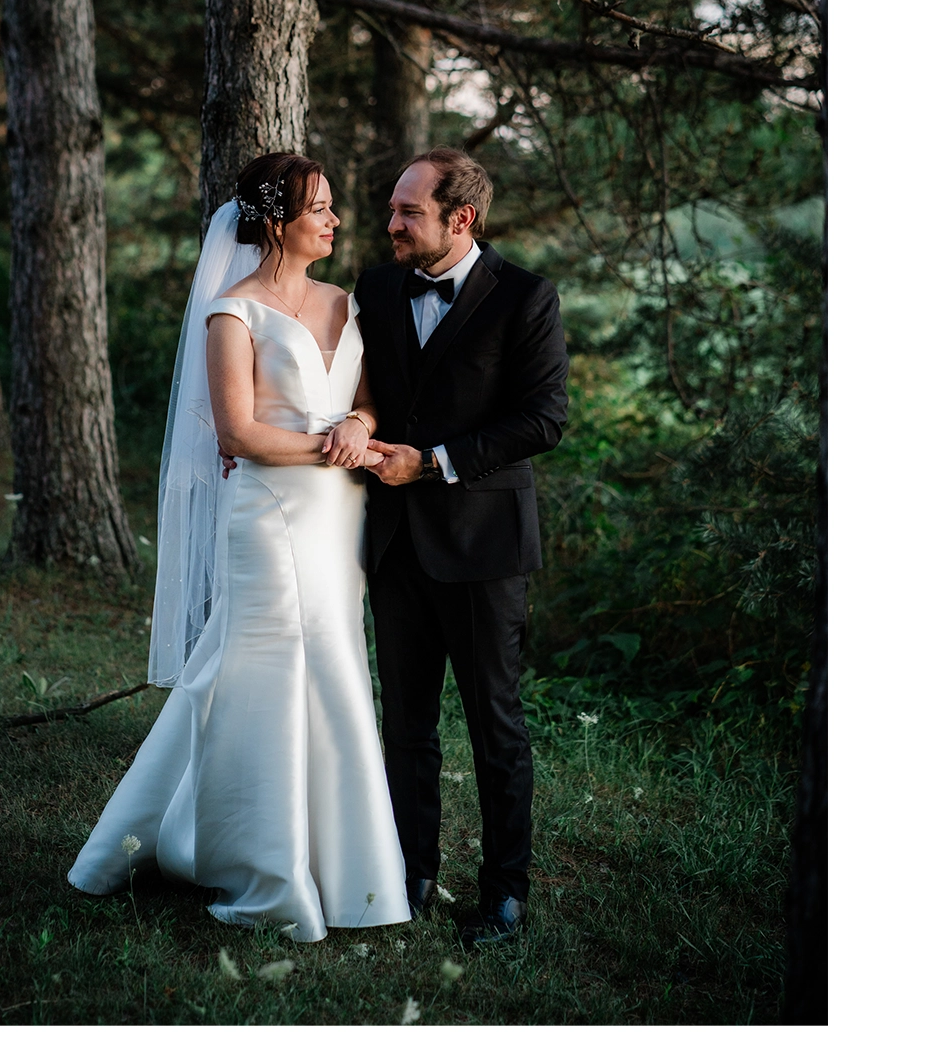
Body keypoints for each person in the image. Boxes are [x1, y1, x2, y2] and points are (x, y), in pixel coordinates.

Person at [68, 154, 411, 942]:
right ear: (273, 223)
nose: (333, 221)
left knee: (330, 664)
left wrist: (358, 428)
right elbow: (238, 433)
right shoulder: (234, 311)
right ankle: (266, 867)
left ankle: (340, 860)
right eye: (318, 210)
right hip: (270, 515)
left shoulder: (345, 302)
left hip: (338, 516)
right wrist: (334, 446)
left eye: (330, 209)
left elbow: (365, 399)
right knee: (271, 666)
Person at [346, 148, 570, 947]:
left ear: (460, 218)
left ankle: (505, 893)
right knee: (404, 722)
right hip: (396, 545)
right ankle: (411, 871)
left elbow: (544, 418)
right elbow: (353, 390)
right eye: (395, 210)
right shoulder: (374, 287)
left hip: (484, 547)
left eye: (409, 212)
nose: (392, 224)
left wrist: (433, 462)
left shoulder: (525, 297)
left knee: (495, 724)